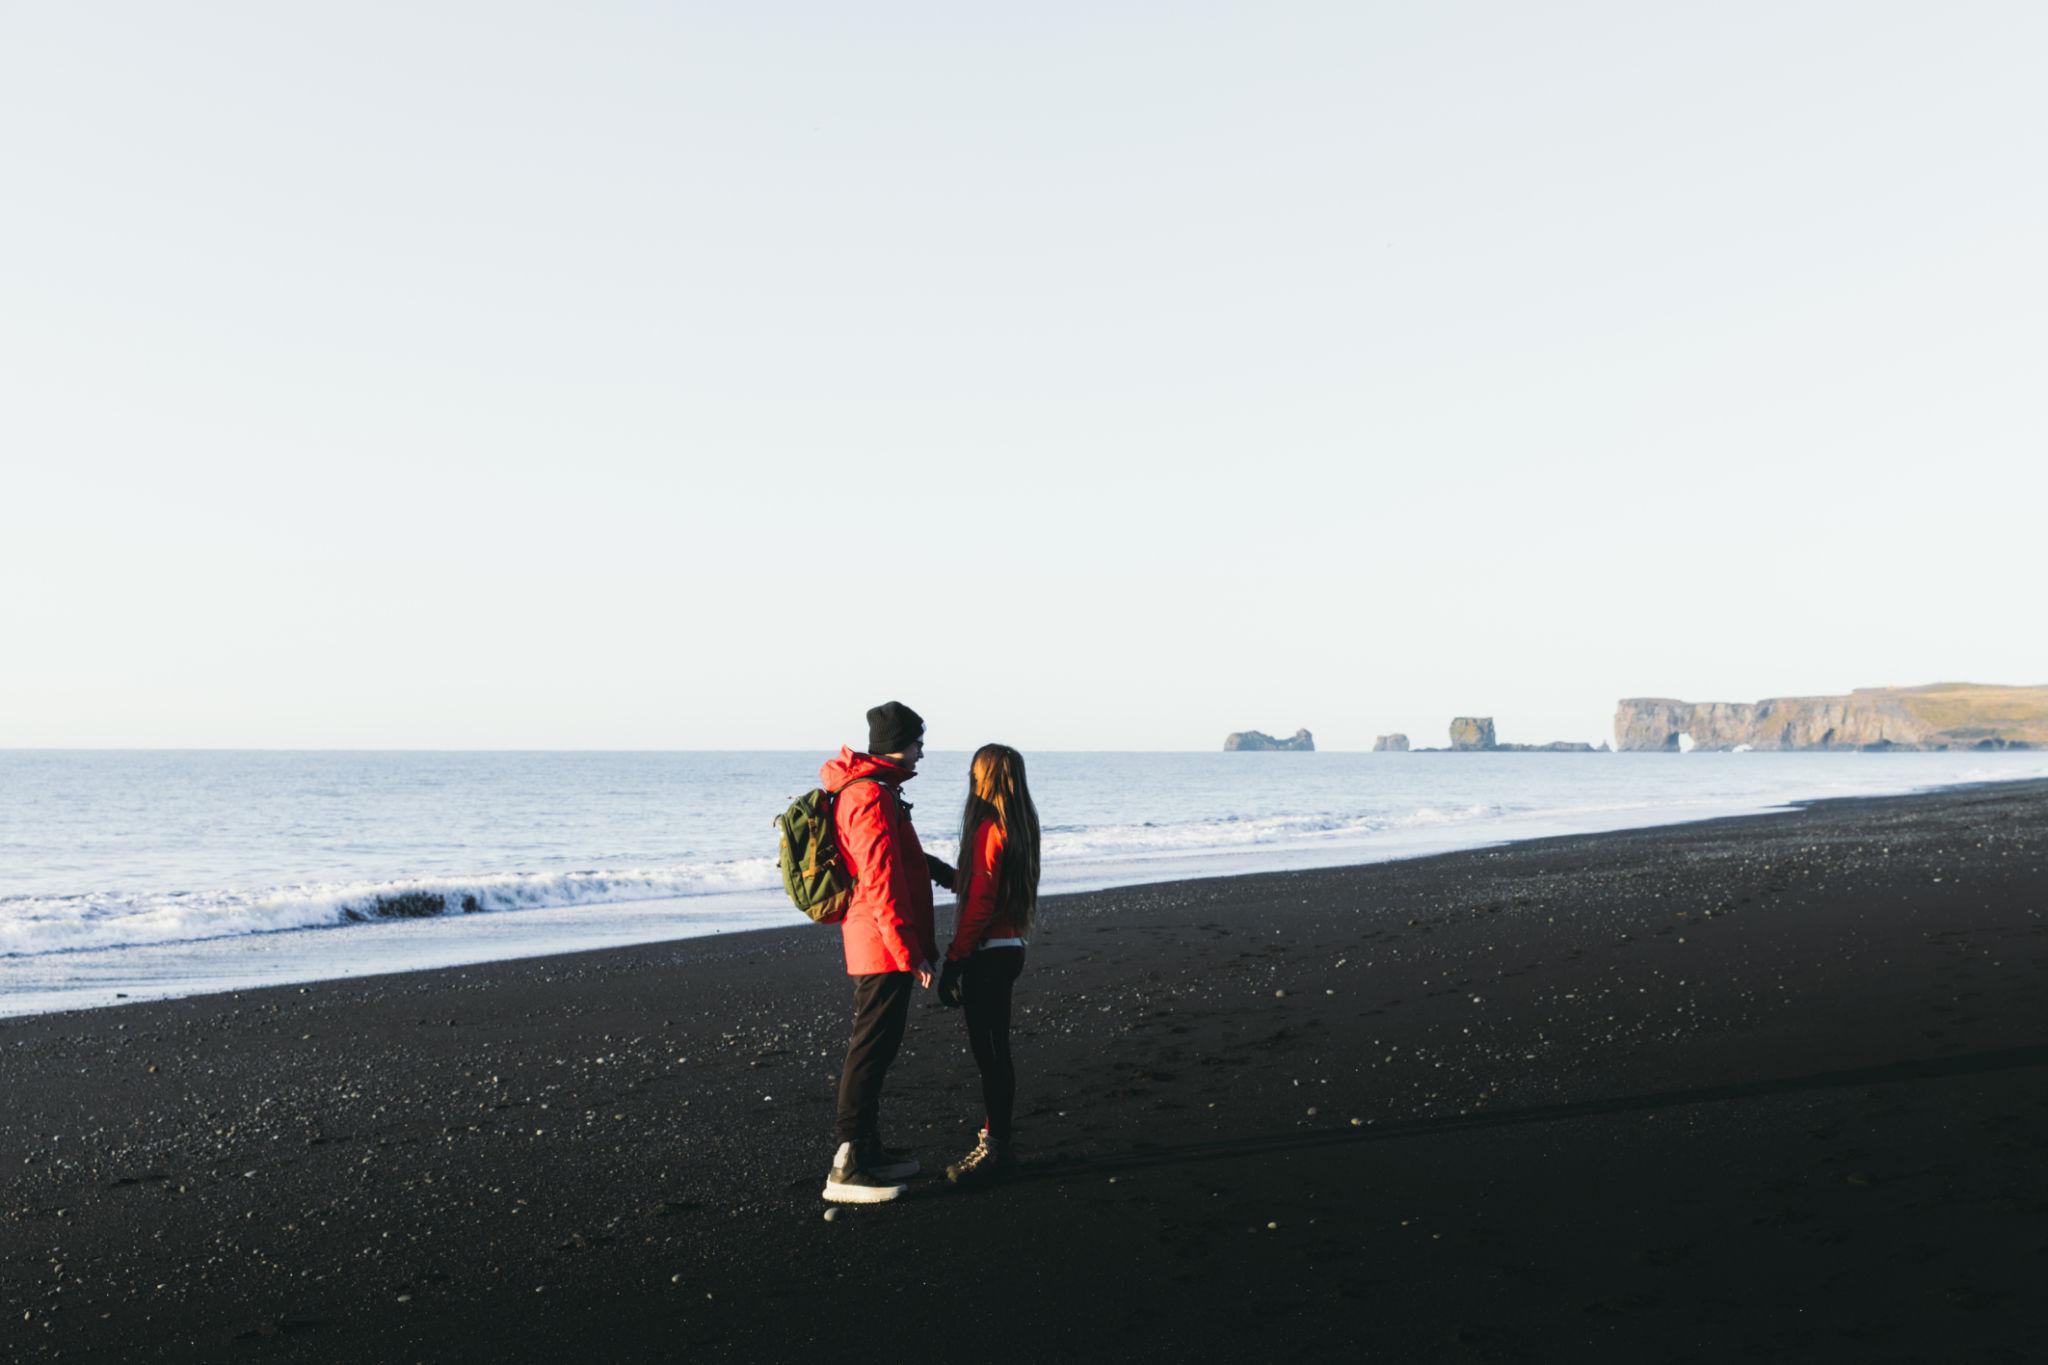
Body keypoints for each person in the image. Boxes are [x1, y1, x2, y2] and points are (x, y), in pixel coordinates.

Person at [819, 700, 956, 1205]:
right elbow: (880, 880)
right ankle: (847, 1164)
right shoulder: (869, 796)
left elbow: (903, 857)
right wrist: (908, 951)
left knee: (880, 1046)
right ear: (900, 744)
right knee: (870, 1049)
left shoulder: (877, 791)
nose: (922, 753)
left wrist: (949, 876)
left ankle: (869, 1150)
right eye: (919, 742)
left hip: (883, 941)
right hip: (880, 944)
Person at [934, 743, 1040, 1186]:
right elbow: (981, 886)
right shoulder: (1020, 826)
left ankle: (995, 1149)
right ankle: (999, 1144)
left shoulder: (988, 829)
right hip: (1011, 947)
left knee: (991, 1054)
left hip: (988, 955)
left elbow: (980, 902)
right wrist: (936, 870)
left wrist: (955, 960)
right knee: (998, 1051)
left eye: (974, 773)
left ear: (985, 778)